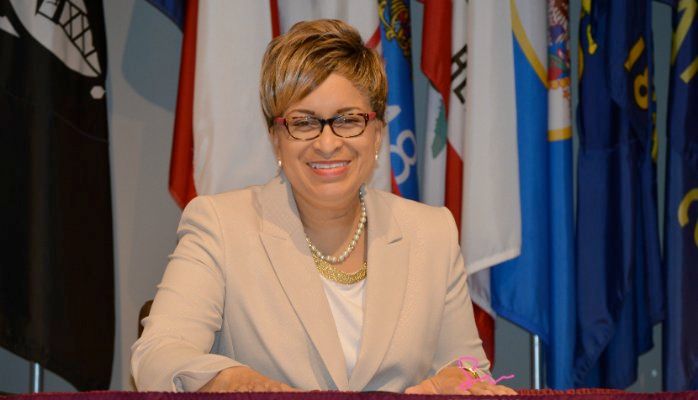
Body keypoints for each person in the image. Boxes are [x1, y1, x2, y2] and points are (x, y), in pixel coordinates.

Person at [131, 19, 515, 396]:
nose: (327, 143)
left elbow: (468, 374)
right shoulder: (220, 226)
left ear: (377, 134)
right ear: (276, 139)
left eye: (348, 120)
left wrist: (450, 385)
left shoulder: (432, 233)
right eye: (304, 122)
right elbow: (157, 356)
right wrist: (236, 384)